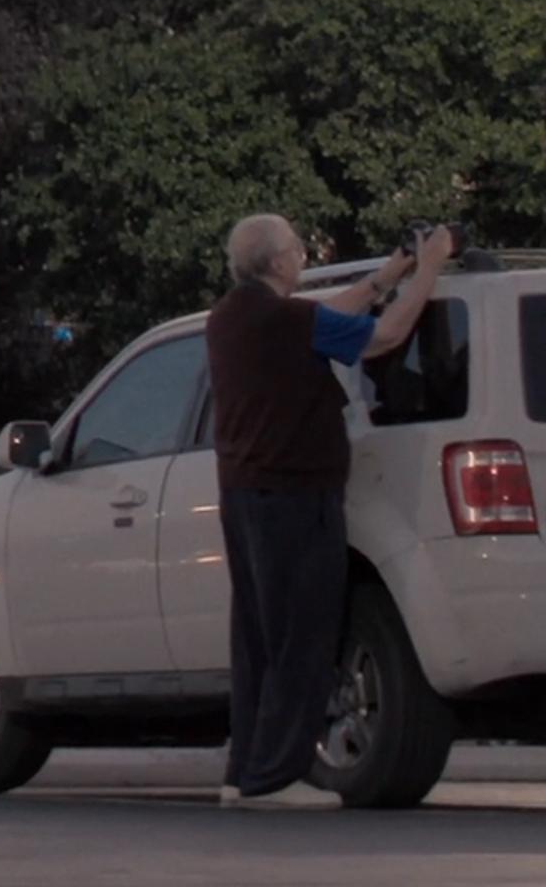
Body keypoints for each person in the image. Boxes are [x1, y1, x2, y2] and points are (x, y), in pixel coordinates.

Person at [208, 214, 454, 808]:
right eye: (297, 248)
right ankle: (277, 777)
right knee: (302, 638)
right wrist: (429, 271)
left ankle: (243, 773)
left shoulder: (231, 318)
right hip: (295, 495)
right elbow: (386, 337)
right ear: (278, 262)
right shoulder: (285, 320)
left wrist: (388, 271)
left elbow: (330, 318)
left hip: (244, 498)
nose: (303, 256)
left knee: (258, 641)